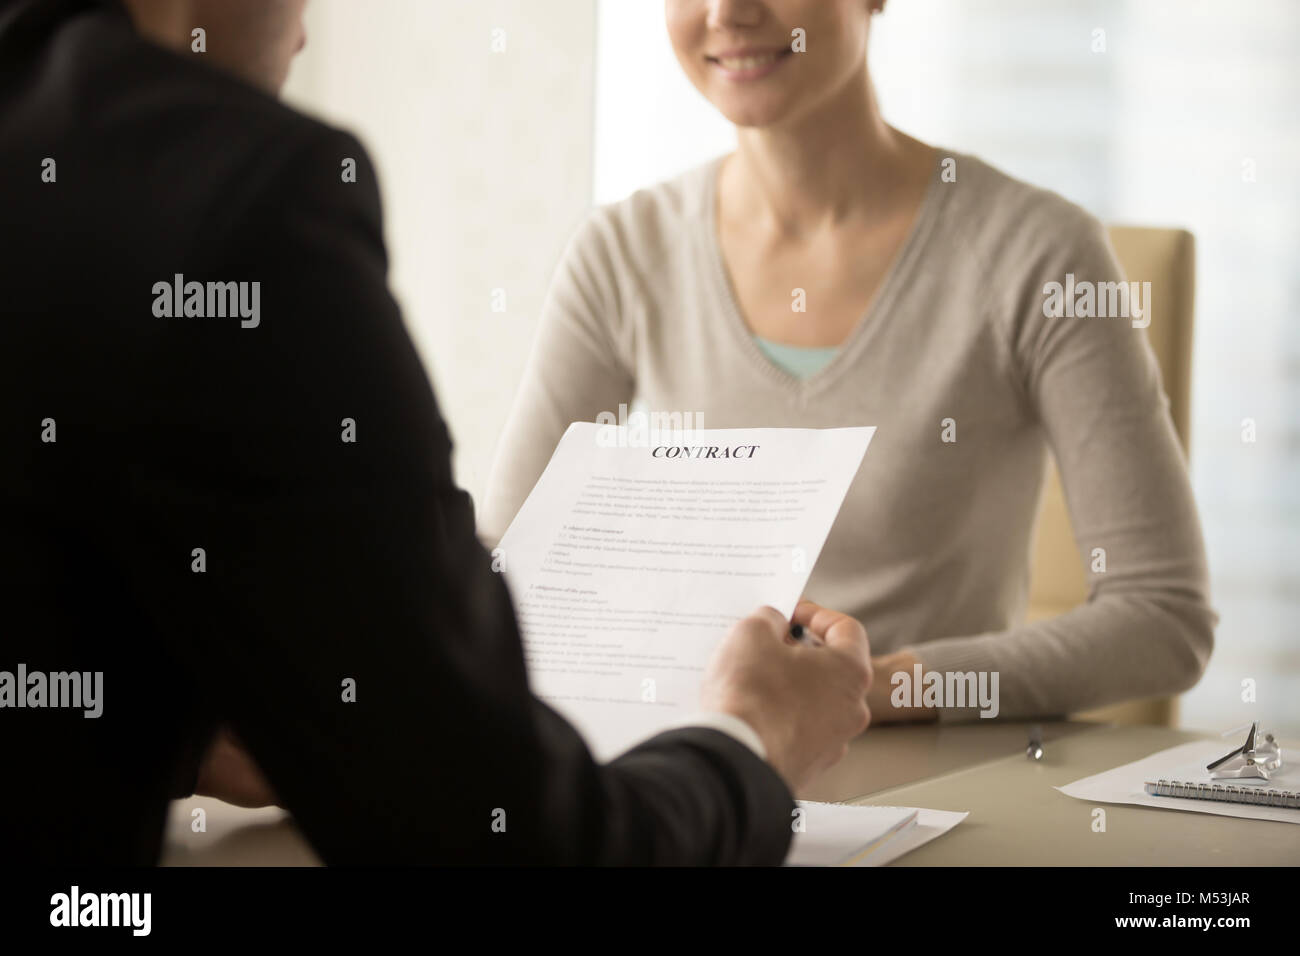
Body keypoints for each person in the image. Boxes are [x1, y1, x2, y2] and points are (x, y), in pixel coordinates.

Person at [0, 0, 871, 866]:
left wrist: (186, 732)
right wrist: (751, 738)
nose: (305, 33)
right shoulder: (235, 192)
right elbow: (511, 845)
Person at [481, 0, 1216, 722]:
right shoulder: (623, 252)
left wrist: (866, 691)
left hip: (936, 792)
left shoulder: (1039, 255)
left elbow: (1161, 617)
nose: (728, 12)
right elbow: (503, 573)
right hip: (703, 778)